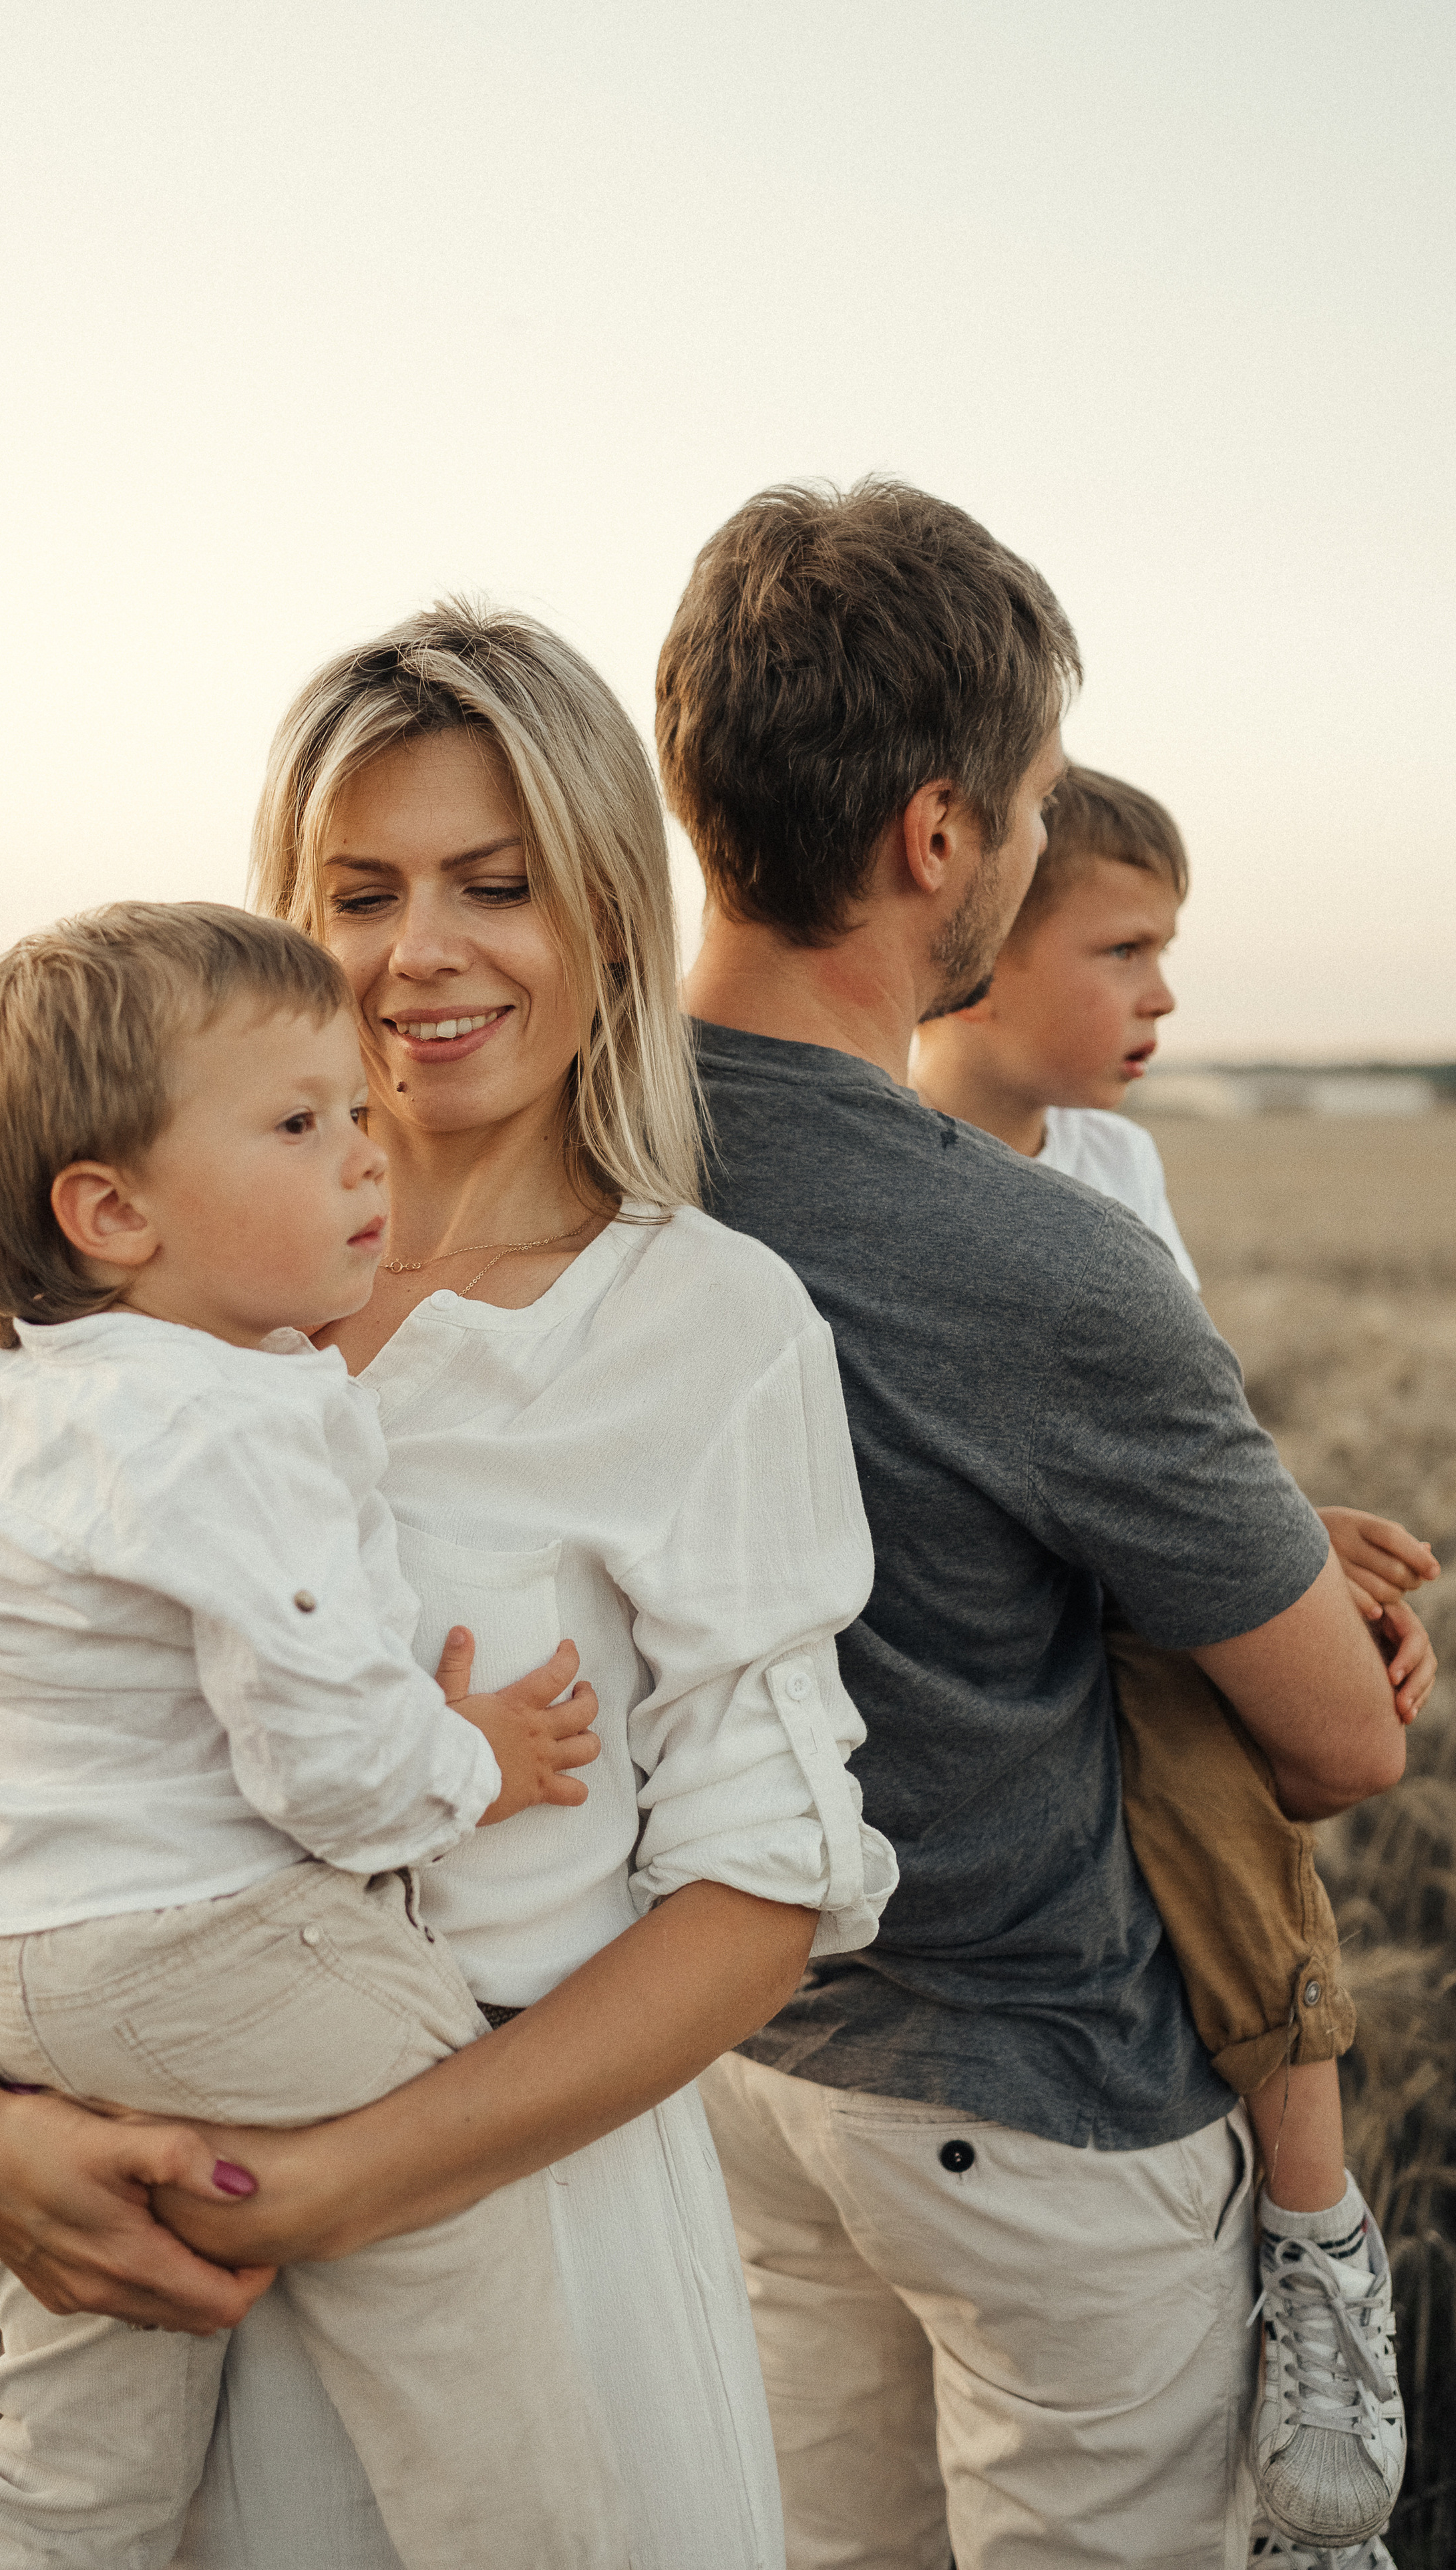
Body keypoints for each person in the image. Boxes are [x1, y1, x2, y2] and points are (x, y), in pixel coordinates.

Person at [0, 605, 898, 2570]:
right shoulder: (152, 1319)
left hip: (514, 2263)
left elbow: (758, 1899)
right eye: (359, 890)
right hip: (159, 2268)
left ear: (607, 914)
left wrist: (342, 2180)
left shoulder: (707, 1327)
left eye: (495, 885)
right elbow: (19, 1747)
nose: (421, 950)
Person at [657, 478, 1411, 2570]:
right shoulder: (1041, 1258)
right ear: (938, 836)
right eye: (1034, 796)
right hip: (1037, 2098)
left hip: (733, 2072)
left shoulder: (563, 1165)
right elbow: (1343, 1748)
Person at [0, 898, 634, 2569]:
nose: (363, 1160)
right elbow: (330, 1769)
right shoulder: (234, 1419)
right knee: (468, 2325)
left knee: (86, 2410)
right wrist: (474, 1758)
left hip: (11, 1965)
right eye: (301, 1126)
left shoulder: (40, 1387)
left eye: (357, 1116)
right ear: (108, 1209)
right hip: (209, 1950)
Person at [914, 766, 1438, 2563]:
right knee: (1229, 1764)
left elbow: (1183, 1439)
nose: (1165, 998)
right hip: (1019, 1639)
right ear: (971, 948)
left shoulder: (1119, 1164)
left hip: (1141, 1593)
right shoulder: (895, 1173)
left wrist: (1305, 1536)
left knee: (1238, 1748)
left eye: (1171, 952)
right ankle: (1315, 2209)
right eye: (1124, 949)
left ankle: (1315, 2243)